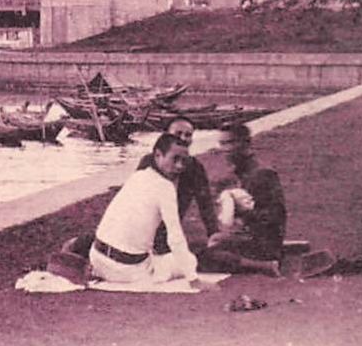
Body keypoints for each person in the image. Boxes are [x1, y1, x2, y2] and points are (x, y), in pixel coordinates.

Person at [89, 132, 200, 284]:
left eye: (184, 161)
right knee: (190, 260)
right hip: (127, 272)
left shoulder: (138, 176)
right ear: (158, 155)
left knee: (152, 255)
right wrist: (193, 279)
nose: (180, 166)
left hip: (96, 259)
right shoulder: (165, 187)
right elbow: (175, 237)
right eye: (175, 159)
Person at [202, 123, 286, 277]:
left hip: (262, 244)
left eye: (230, 143)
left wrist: (243, 213)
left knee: (200, 257)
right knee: (193, 247)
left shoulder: (262, 174)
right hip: (248, 237)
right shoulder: (240, 172)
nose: (225, 149)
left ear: (246, 143)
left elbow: (275, 218)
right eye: (222, 143)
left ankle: (264, 265)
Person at [141, 118, 219, 256]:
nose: (183, 138)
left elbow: (205, 204)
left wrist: (213, 234)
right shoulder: (149, 162)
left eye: (188, 135)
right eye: (178, 134)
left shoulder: (195, 168)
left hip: (168, 236)